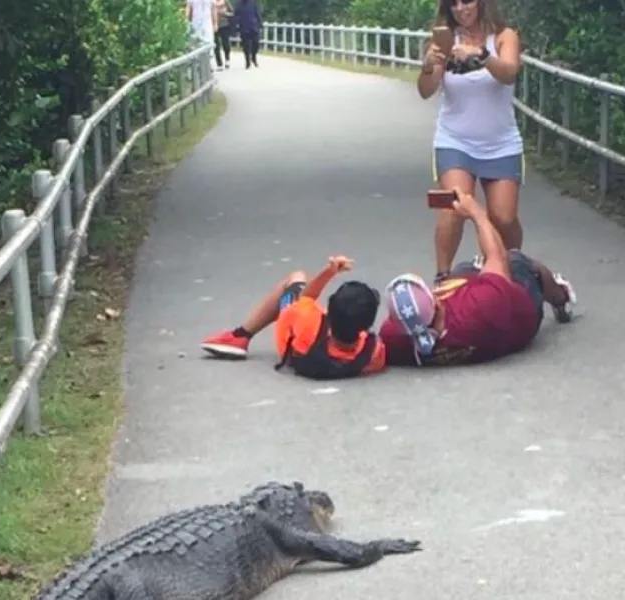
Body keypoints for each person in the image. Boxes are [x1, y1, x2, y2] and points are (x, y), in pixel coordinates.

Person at [378, 189, 577, 367]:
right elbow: (498, 256)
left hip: (482, 319)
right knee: (518, 260)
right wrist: (476, 214)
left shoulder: (395, 340)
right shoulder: (481, 306)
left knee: (463, 270)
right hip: (520, 313)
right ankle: (561, 297)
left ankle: (479, 270)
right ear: (436, 304)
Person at [417, 0, 525, 283]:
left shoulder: (504, 37)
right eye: (454, 4)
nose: (461, 9)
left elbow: (509, 73)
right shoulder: (442, 40)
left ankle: (511, 268)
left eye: (468, 1)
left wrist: (480, 55)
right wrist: (429, 67)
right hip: (455, 140)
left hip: (500, 142)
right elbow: (425, 91)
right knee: (453, 207)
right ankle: (443, 278)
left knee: (503, 218)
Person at [200, 255, 387, 380]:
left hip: (295, 340)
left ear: (329, 313)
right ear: (365, 326)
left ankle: (241, 336)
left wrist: (329, 271)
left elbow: (307, 295)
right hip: (312, 355)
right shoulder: (373, 353)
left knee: (296, 278)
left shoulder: (307, 319)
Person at [234, 0, 262, 69]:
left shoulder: (253, 3)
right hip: (243, 27)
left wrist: (260, 23)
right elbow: (236, 15)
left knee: (256, 43)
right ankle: (247, 62)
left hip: (253, 26)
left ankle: (253, 56)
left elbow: (257, 13)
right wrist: (236, 25)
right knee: (246, 46)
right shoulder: (238, 4)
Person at [214, 0, 234, 70]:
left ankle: (227, 59)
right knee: (216, 45)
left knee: (226, 44)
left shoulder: (226, 2)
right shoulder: (211, 2)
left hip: (224, 25)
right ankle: (219, 64)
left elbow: (232, 13)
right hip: (214, 26)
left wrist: (225, 13)